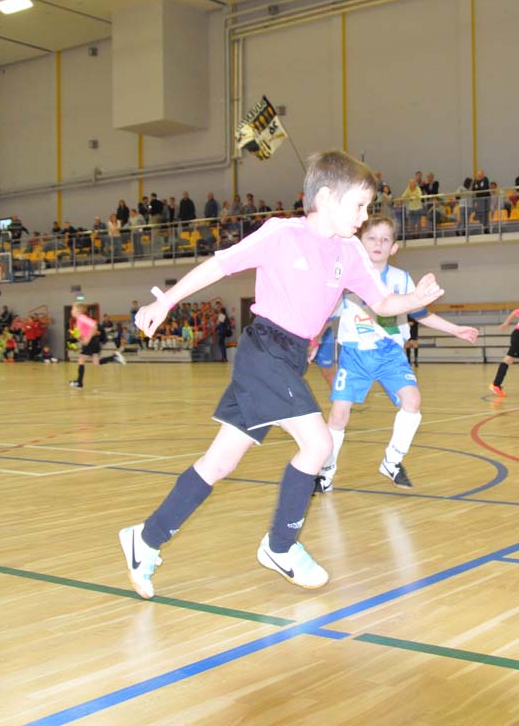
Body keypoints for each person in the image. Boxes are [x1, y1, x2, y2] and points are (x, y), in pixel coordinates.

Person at [118, 150, 445, 597]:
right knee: (319, 444)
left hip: (290, 359)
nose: (364, 217)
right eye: (359, 206)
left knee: (220, 462)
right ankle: (280, 546)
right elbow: (218, 265)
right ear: (326, 198)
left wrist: (415, 300)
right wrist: (166, 301)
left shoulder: (349, 252)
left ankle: (145, 539)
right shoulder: (281, 234)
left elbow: (383, 303)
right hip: (264, 350)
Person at [316, 216, 478, 493]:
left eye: (385, 239)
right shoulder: (346, 278)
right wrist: (313, 340)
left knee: (412, 401)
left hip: (391, 354)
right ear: (360, 243)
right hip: (355, 354)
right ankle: (326, 471)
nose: (378, 243)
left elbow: (421, 313)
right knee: (339, 415)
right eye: (371, 238)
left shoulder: (401, 279)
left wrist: (456, 330)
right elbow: (325, 314)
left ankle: (392, 461)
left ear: (393, 247)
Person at [68, 303, 125, 389]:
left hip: (91, 341)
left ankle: (79, 383)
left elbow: (94, 326)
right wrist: (79, 338)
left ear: (78, 311)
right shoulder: (78, 320)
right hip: (93, 341)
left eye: (73, 309)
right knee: (96, 362)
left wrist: (87, 339)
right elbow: (84, 333)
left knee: (81, 360)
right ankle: (113, 358)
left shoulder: (82, 318)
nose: (71, 311)